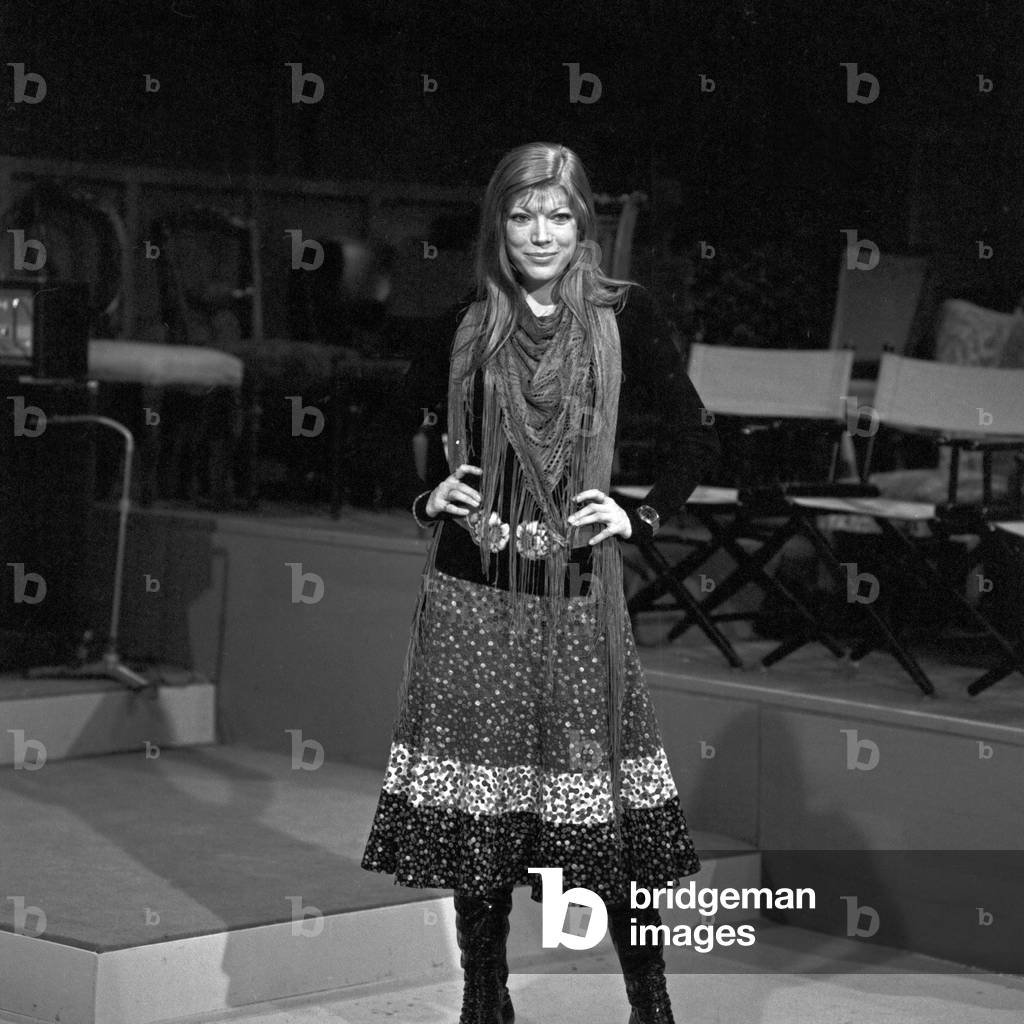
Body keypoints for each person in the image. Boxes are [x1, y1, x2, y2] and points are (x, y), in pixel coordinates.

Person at [361, 142, 719, 1024]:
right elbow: (372, 421)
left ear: (584, 223)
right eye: (522, 215)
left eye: (558, 215)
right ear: (499, 224)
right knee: (481, 818)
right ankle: (486, 996)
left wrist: (643, 515)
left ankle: (651, 1002)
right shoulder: (463, 323)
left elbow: (694, 432)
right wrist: (424, 492)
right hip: (471, 592)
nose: (540, 233)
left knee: (606, 817)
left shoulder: (625, 316)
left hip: (575, 599)